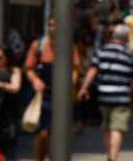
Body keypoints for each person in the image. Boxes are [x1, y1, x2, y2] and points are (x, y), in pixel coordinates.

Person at [24, 17, 80, 161]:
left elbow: (75, 69)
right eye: (50, 25)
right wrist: (35, 80)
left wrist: (70, 84)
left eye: (55, 25)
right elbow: (28, 68)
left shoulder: (69, 46)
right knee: (43, 132)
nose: (52, 28)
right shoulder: (38, 45)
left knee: (59, 133)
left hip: (62, 95)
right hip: (44, 94)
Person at [77, 24, 133, 161]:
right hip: (121, 96)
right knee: (117, 127)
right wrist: (128, 91)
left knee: (106, 126)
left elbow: (92, 71)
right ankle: (113, 157)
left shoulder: (101, 51)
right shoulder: (129, 56)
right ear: (126, 38)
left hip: (104, 95)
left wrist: (84, 87)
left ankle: (109, 154)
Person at [0, 45, 21, 161]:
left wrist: (3, 85)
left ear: (7, 57)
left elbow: (16, 87)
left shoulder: (14, 70)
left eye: (1, 57)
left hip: (9, 112)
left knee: (9, 144)